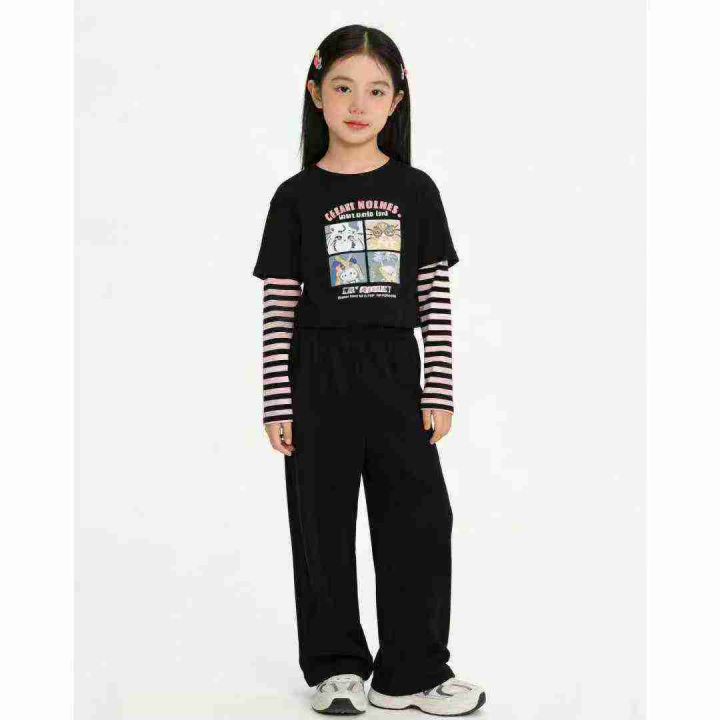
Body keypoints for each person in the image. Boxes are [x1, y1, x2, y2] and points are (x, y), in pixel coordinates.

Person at [252, 24, 486, 717]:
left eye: (377, 91)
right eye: (344, 87)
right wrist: (277, 401)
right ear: (316, 93)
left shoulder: (416, 190)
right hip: (316, 375)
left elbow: (435, 298)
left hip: (394, 374)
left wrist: (439, 387)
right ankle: (336, 668)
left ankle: (411, 670)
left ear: (397, 100)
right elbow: (278, 308)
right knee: (321, 526)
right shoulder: (294, 198)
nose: (359, 104)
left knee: (420, 519)